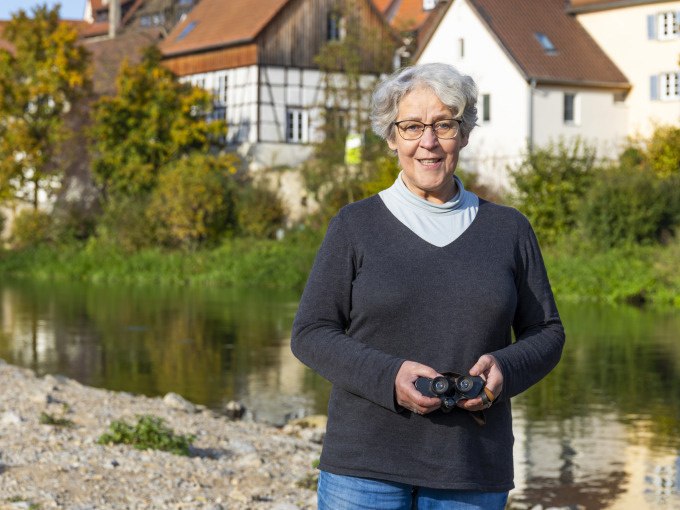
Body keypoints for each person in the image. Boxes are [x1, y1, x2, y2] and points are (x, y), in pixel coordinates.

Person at [290, 62, 565, 510]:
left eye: (444, 125)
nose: (429, 142)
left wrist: (504, 370)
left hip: (472, 470)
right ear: (392, 137)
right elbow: (311, 333)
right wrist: (388, 377)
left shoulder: (509, 229)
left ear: (466, 132)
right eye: (413, 126)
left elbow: (548, 333)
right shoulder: (354, 226)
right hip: (364, 468)